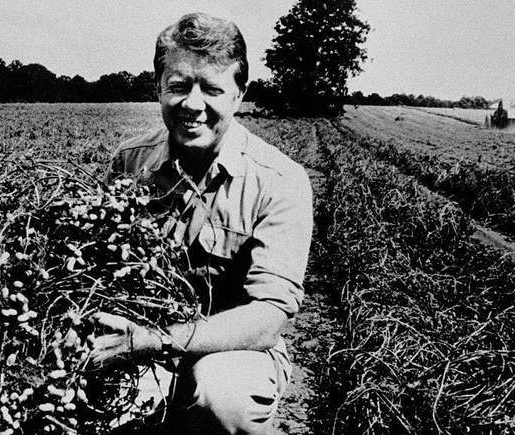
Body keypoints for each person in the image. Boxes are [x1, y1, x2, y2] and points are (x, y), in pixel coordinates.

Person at [95, 12, 313, 434]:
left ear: (239, 94)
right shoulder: (130, 161)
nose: (192, 105)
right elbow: (100, 271)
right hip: (138, 340)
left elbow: (267, 318)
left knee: (222, 394)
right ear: (158, 87)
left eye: (212, 88)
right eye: (177, 87)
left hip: (235, 349)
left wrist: (154, 340)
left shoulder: (280, 180)